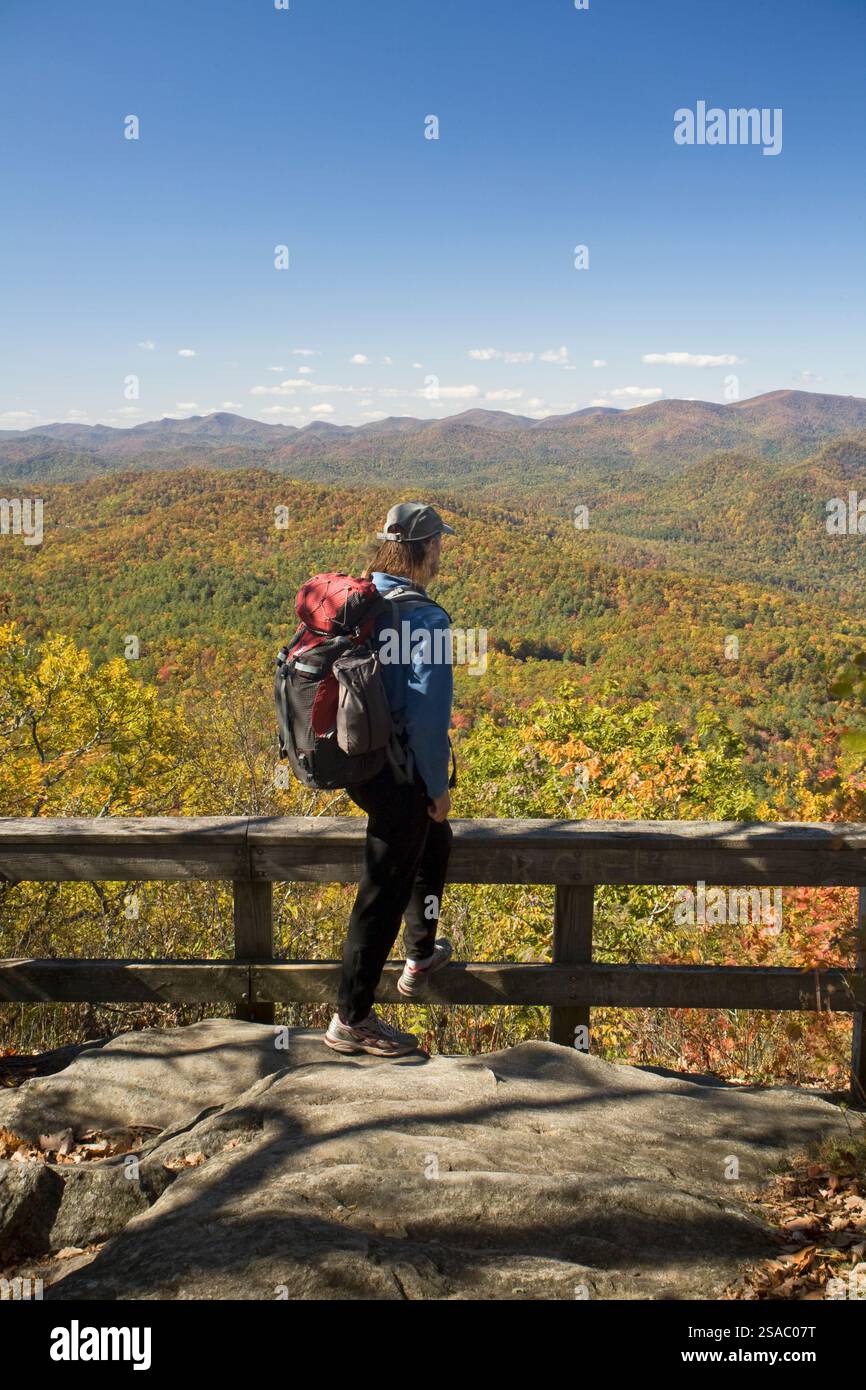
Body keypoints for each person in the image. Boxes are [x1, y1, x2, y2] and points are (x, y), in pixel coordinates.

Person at [324, 502, 456, 1057]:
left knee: (434, 840)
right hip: (399, 771)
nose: (442, 552)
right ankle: (351, 1019)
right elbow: (428, 718)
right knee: (382, 891)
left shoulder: (361, 602)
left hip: (361, 763)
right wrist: (437, 787)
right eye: (439, 545)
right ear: (424, 550)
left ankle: (421, 950)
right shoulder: (428, 620)